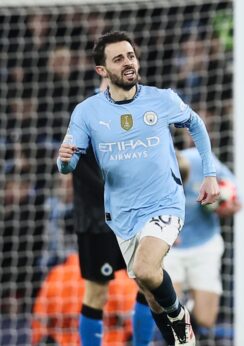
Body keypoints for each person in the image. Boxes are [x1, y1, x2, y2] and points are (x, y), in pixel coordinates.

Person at [57, 31, 220, 345]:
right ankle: (176, 336)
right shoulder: (87, 112)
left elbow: (196, 124)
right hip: (119, 214)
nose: (128, 62)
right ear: (102, 70)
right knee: (148, 291)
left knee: (146, 270)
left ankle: (179, 317)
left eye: (130, 56)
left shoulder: (161, 99)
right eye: (118, 59)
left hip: (163, 204)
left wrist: (209, 174)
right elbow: (68, 164)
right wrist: (64, 161)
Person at [71, 77, 155, 346]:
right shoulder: (85, 113)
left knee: (149, 283)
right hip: (97, 221)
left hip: (136, 216)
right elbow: (81, 170)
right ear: (101, 73)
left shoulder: (142, 113)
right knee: (97, 293)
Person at [166, 148, 241, 342]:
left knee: (206, 319)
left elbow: (234, 191)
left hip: (204, 244)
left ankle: (190, 312)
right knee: (169, 314)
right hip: (170, 249)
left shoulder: (202, 161)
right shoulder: (154, 173)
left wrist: (230, 204)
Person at [31, 252, 138, 346]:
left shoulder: (57, 275)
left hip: (65, 341)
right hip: (109, 341)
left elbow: (40, 320)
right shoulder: (116, 275)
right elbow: (133, 319)